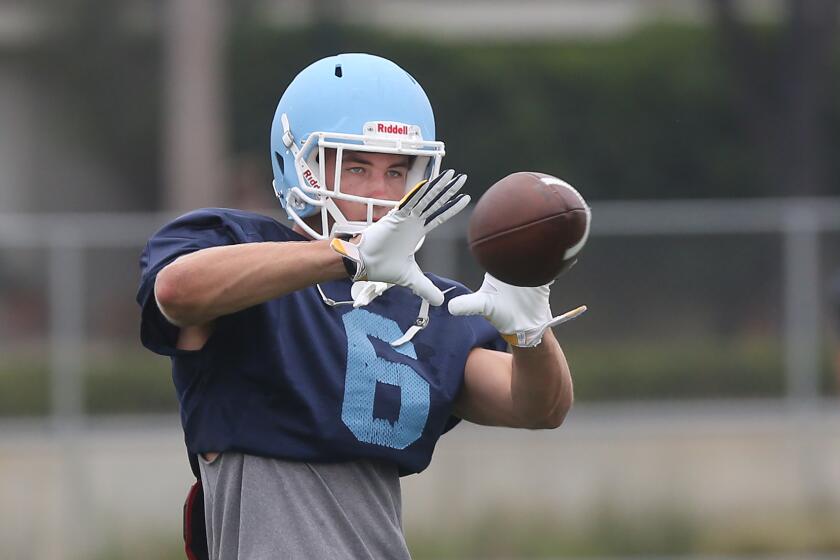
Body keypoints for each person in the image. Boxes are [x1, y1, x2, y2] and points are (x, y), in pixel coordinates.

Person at [137, 53, 576, 560]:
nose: (380, 192)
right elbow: (177, 292)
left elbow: (538, 406)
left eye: (397, 171)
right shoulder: (241, 250)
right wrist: (346, 256)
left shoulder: (428, 303)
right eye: (357, 166)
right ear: (299, 164)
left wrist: (531, 332)